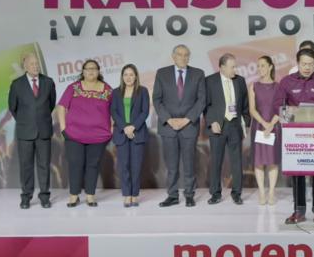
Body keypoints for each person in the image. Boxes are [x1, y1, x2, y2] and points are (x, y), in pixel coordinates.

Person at [273, 48, 314, 224]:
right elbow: (278, 105)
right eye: (304, 64)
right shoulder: (286, 82)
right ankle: (298, 211)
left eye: (310, 64)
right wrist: (289, 112)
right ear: (297, 63)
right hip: (296, 136)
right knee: (298, 173)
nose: (307, 67)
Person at [153, 44, 206, 208]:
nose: (183, 57)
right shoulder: (162, 73)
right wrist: (169, 120)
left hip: (189, 126)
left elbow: (201, 100)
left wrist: (186, 120)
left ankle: (189, 195)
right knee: (171, 165)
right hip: (168, 127)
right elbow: (157, 99)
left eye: (186, 55)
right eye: (180, 54)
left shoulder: (198, 74)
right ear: (173, 56)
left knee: (189, 164)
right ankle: (172, 195)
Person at [58, 59, 113, 207]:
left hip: (99, 136)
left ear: (98, 71)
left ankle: (90, 195)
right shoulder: (73, 88)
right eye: (88, 69)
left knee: (92, 165)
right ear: (82, 71)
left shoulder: (107, 90)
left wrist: (111, 129)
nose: (91, 71)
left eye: (94, 69)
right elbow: (62, 107)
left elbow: (115, 111)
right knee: (75, 164)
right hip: (74, 135)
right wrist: (63, 128)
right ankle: (74, 196)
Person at [8, 53, 56, 209]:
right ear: (25, 66)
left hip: (44, 131)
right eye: (32, 64)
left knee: (44, 165)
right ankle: (26, 197)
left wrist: (39, 119)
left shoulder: (48, 82)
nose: (36, 66)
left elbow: (51, 104)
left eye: (37, 63)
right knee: (26, 166)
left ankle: (44, 196)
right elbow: (13, 107)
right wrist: (25, 120)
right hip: (25, 132)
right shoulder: (17, 84)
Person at [204, 53, 250, 205]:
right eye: (232, 67)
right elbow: (206, 105)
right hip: (218, 126)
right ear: (222, 67)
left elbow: (245, 105)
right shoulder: (209, 81)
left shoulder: (240, 81)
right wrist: (211, 122)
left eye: (235, 66)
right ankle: (216, 193)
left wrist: (247, 124)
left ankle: (236, 193)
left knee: (237, 161)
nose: (235, 70)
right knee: (216, 161)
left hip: (235, 125)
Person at [111, 64, 150, 207]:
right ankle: (127, 195)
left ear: (136, 76)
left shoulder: (143, 91)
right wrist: (125, 127)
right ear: (122, 77)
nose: (128, 77)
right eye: (126, 74)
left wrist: (133, 126)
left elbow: (145, 112)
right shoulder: (115, 92)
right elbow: (114, 112)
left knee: (136, 166)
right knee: (124, 166)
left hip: (137, 133)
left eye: (131, 74)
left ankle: (134, 195)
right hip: (121, 133)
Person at [249, 56, 280, 205]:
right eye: (258, 66)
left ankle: (272, 192)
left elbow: (281, 108)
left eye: (263, 65)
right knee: (259, 161)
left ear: (270, 67)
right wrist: (264, 123)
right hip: (259, 126)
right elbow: (252, 109)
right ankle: (262, 192)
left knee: (273, 161)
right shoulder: (253, 86)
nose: (260, 68)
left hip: (274, 126)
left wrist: (271, 124)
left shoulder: (278, 86)